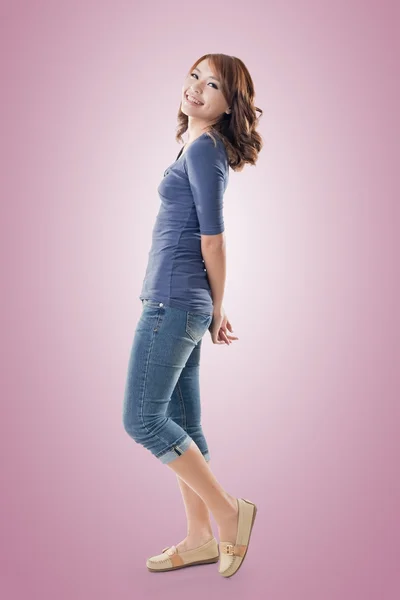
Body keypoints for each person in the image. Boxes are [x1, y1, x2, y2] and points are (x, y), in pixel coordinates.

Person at [123, 53, 263, 578]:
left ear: (230, 107)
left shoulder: (205, 151)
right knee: (182, 422)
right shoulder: (194, 145)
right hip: (180, 301)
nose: (197, 89)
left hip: (173, 302)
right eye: (194, 77)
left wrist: (218, 306)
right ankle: (200, 538)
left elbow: (213, 237)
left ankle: (228, 513)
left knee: (142, 419)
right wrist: (211, 306)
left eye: (213, 86)